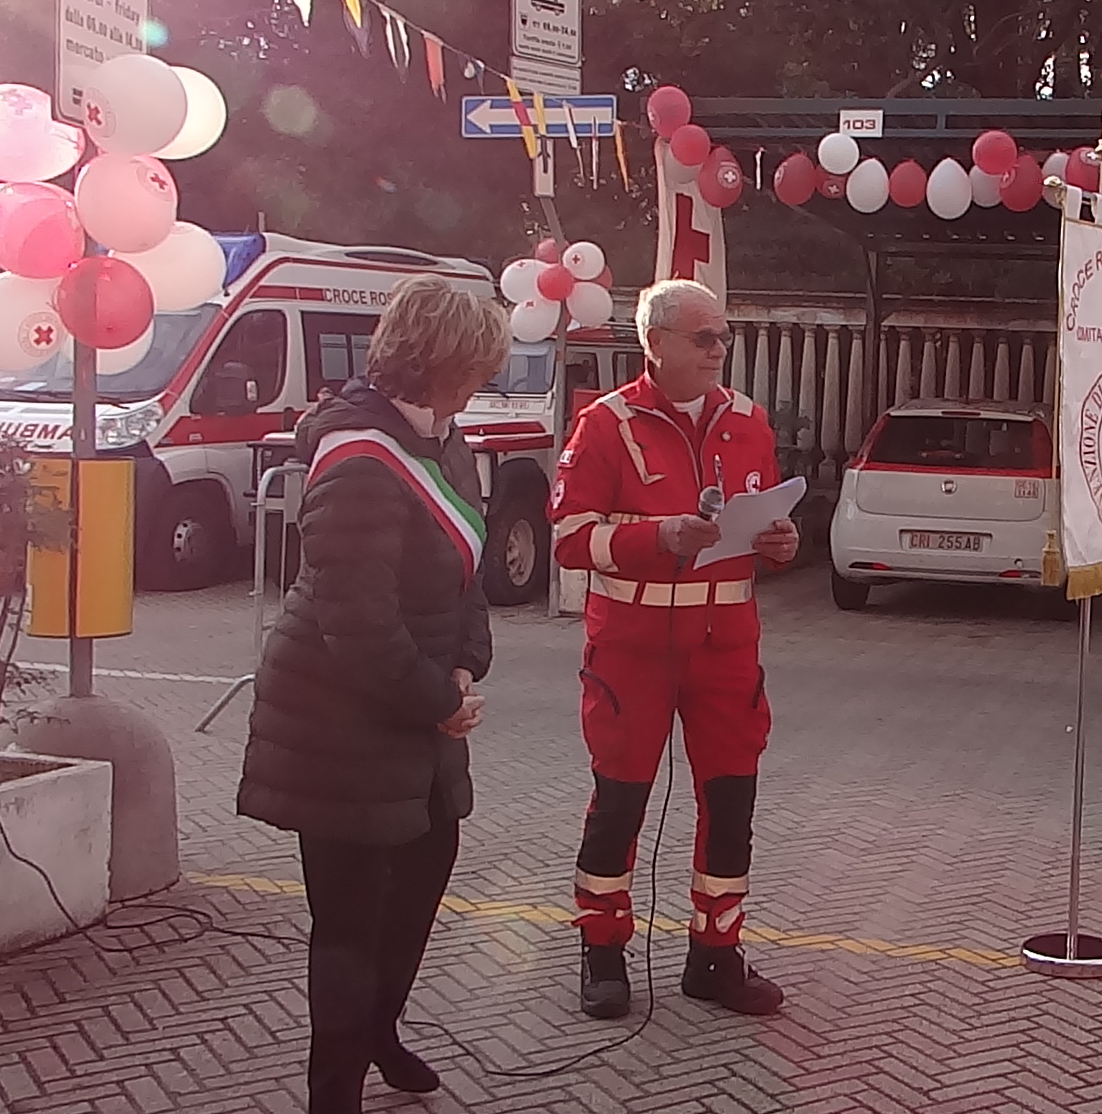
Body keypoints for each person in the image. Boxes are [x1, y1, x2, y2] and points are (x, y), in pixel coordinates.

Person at [236, 275, 508, 1114]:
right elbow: (356, 625)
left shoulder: (442, 438)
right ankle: (335, 1092)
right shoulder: (359, 460)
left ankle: (379, 1032)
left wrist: (466, 665)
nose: (483, 384)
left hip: (417, 712)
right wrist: (437, 699)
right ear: (441, 363)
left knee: (420, 886)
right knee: (350, 924)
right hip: (339, 722)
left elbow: (466, 571)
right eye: (477, 368)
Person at [549, 278, 800, 1019]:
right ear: (655, 343)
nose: (719, 350)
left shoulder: (750, 421)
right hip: (631, 653)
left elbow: (760, 525)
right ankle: (602, 950)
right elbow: (568, 538)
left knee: (731, 803)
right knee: (620, 802)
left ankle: (715, 955)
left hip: (726, 652)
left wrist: (781, 545)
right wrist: (656, 537)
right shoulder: (604, 424)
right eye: (703, 337)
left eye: (723, 337)